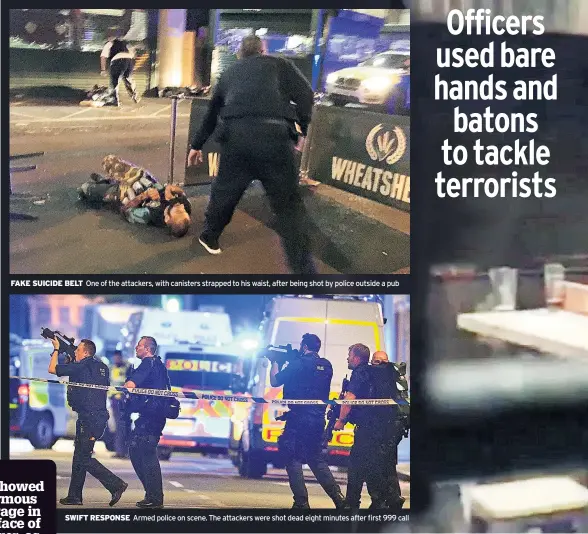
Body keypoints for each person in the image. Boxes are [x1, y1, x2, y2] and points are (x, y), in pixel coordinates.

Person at [186, 35, 316, 274]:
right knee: (288, 207)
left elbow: (211, 113)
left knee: (225, 191)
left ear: (240, 54)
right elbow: (306, 94)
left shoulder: (229, 73)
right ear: (263, 50)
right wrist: (302, 128)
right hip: (275, 136)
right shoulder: (280, 65)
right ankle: (303, 271)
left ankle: (210, 237)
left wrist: (196, 145)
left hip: (238, 138)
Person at [48, 338, 128, 506]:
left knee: (83, 458)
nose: (75, 353)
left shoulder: (81, 366)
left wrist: (56, 349)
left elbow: (52, 369)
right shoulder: (103, 367)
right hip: (97, 418)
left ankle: (116, 484)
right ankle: (74, 496)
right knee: (79, 456)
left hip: (89, 419)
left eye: (77, 351)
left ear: (85, 352)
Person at [270, 333, 345, 509]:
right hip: (317, 419)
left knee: (293, 458)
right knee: (316, 459)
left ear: (304, 347)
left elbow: (275, 381)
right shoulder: (326, 366)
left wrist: (275, 361)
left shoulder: (297, 364)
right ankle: (339, 498)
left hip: (298, 419)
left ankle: (301, 502)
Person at [334, 344, 404, 511]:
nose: (347, 358)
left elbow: (350, 399)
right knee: (373, 464)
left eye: (349, 355)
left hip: (368, 428)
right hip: (385, 427)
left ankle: (356, 502)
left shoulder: (361, 372)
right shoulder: (379, 374)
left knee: (357, 464)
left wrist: (341, 420)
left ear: (357, 357)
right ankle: (381, 499)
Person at [78, 155, 192, 238]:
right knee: (110, 161)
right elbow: (181, 192)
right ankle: (108, 180)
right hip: (143, 180)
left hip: (126, 193)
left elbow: (125, 210)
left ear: (167, 218)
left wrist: (144, 196)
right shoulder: (184, 206)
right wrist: (169, 189)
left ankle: (105, 183)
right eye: (183, 211)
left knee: (84, 188)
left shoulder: (150, 215)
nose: (180, 206)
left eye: (178, 212)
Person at [123, 336, 169, 508]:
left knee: (146, 453)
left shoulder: (147, 364)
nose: (136, 348)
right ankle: (152, 494)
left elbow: (131, 384)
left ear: (148, 349)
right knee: (136, 450)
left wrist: (127, 383)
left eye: (139, 345)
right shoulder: (159, 365)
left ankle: (155, 497)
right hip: (153, 415)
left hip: (151, 415)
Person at [100, 34, 139, 106]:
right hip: (129, 60)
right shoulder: (126, 43)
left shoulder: (109, 44)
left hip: (118, 60)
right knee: (128, 78)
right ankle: (134, 94)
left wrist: (103, 70)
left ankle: (114, 100)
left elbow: (103, 57)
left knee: (115, 80)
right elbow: (134, 53)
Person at [109, 350, 131, 459]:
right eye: (115, 357)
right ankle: (119, 451)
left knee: (124, 425)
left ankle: (123, 451)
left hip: (124, 400)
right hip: (115, 400)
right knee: (119, 426)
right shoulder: (111, 369)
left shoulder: (126, 368)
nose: (116, 359)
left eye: (118, 357)